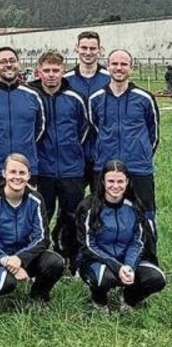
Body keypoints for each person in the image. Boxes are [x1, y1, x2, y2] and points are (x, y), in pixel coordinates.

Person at [0, 153, 64, 311]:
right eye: (12, 172)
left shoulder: (36, 200)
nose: (17, 177)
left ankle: (38, 296)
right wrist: (8, 261)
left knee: (55, 262)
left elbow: (43, 238)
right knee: (6, 283)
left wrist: (20, 259)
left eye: (22, 173)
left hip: (23, 256)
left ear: (29, 175)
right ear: (4, 173)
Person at [76, 160, 165, 309]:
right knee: (104, 279)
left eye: (120, 181)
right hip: (98, 260)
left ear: (127, 182)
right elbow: (88, 245)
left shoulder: (134, 206)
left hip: (127, 261)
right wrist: (117, 267)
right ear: (103, 182)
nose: (115, 186)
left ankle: (129, 299)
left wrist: (129, 266)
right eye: (111, 181)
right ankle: (99, 301)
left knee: (157, 279)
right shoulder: (88, 207)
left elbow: (138, 241)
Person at [88, 49, 159, 233]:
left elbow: (154, 134)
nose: (119, 68)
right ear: (108, 65)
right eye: (115, 64)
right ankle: (106, 258)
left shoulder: (145, 98)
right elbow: (94, 128)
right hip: (105, 168)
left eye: (124, 64)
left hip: (138, 167)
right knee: (101, 214)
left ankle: (148, 258)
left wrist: (140, 153)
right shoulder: (95, 99)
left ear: (131, 68)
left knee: (145, 214)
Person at [29, 50, 88, 270]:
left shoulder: (75, 98)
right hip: (42, 169)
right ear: (39, 72)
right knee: (41, 215)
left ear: (63, 72)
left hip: (71, 169)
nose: (51, 75)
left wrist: (71, 150)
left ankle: (69, 257)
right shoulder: (31, 96)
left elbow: (84, 129)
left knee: (71, 216)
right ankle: (38, 259)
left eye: (56, 70)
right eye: (47, 70)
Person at [0, 47, 45, 194]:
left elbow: (40, 128)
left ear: (19, 64)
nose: (8, 65)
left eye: (12, 61)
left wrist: (25, 144)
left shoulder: (34, 95)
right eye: (3, 62)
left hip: (25, 168)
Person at [64, 31, 110, 195]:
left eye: (93, 48)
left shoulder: (110, 78)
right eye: (84, 47)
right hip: (74, 156)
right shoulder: (65, 80)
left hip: (103, 155)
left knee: (103, 203)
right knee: (72, 206)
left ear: (100, 50)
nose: (88, 52)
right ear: (76, 48)